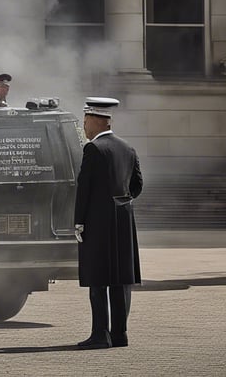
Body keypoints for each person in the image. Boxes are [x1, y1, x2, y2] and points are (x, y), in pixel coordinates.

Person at [74, 97, 143, 349]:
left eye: (85, 121)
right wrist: (121, 203)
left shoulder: (93, 149)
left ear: (96, 120)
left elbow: (84, 189)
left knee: (98, 279)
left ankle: (99, 334)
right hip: (124, 221)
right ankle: (120, 334)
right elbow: (137, 186)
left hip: (97, 222)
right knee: (120, 279)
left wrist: (79, 221)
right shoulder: (128, 148)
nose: (84, 127)